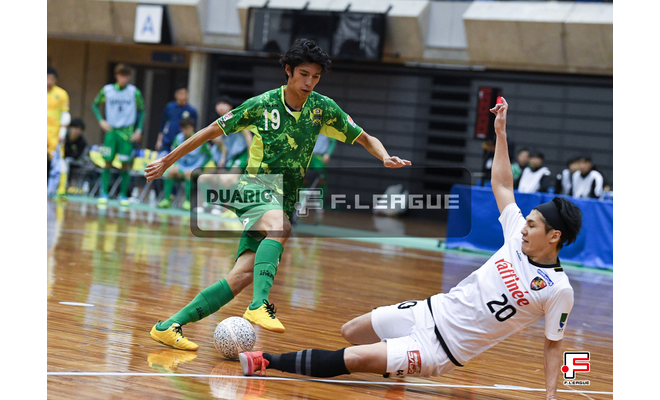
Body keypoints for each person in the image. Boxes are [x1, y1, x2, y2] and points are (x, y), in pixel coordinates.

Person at [239, 98, 582, 400]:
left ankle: (267, 360)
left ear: (554, 236)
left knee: (353, 359)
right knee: (351, 332)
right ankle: (394, 364)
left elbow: (553, 344)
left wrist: (551, 396)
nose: (524, 227)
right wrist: (500, 132)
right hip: (428, 311)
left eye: (532, 225)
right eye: (527, 221)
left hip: (440, 349)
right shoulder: (516, 238)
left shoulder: (558, 289)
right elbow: (503, 184)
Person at [145, 38, 411, 350]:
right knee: (280, 226)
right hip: (253, 188)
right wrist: (167, 160)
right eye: (303, 74)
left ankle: (169, 326)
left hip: (283, 199)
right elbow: (209, 131)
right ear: (288, 70)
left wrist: (384, 156)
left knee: (241, 276)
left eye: (315, 77)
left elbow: (365, 137)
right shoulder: (262, 105)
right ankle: (259, 305)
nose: (309, 82)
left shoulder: (323, 108)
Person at [92, 63, 145, 206]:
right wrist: (101, 120)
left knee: (125, 164)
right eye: (121, 76)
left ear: (129, 77)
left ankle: (123, 195)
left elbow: (142, 111)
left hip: (127, 133)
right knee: (107, 162)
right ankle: (104, 193)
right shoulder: (107, 90)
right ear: (116, 76)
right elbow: (95, 104)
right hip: (111, 131)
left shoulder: (134, 92)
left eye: (126, 76)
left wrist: (138, 129)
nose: (124, 79)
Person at [157, 118, 211, 210]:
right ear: (181, 129)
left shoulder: (200, 139)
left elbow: (209, 155)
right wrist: (175, 164)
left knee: (188, 174)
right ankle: (166, 200)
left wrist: (201, 167)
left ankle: (187, 201)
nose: (187, 131)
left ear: (192, 128)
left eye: (188, 128)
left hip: (194, 168)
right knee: (170, 172)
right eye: (184, 128)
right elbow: (173, 154)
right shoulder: (178, 138)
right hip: (181, 166)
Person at [156, 86, 198, 152]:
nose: (182, 96)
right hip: (168, 140)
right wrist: (159, 140)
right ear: (176, 95)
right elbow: (163, 124)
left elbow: (194, 128)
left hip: (182, 142)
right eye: (180, 93)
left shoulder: (191, 111)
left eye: (184, 93)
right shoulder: (169, 107)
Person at [47, 66, 71, 181]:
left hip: (55, 133)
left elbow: (65, 115)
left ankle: (60, 188)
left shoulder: (61, 94)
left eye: (51, 79)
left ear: (55, 80)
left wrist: (62, 133)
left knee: (58, 159)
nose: (49, 81)